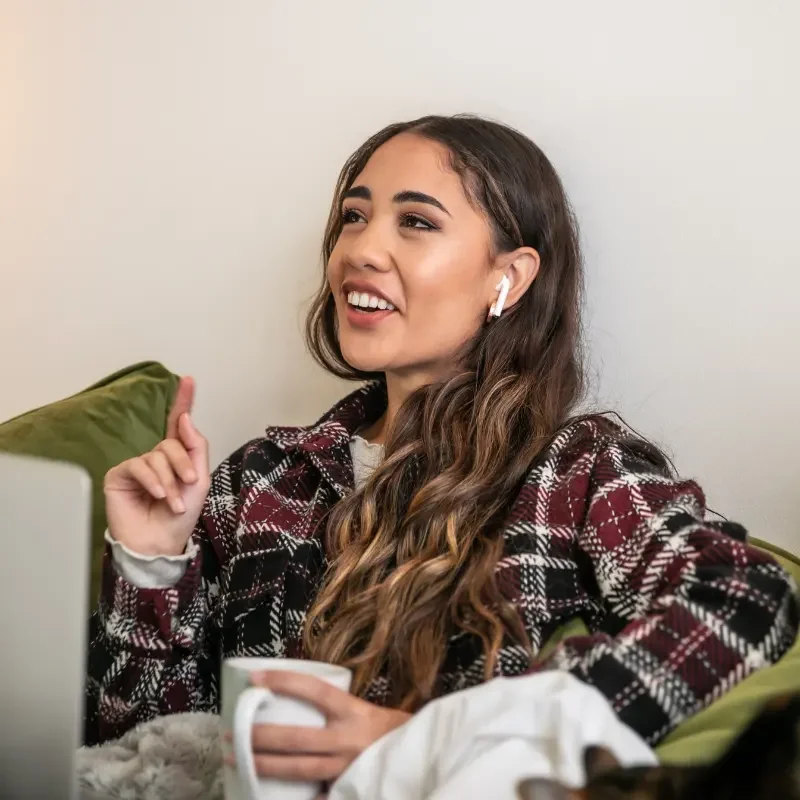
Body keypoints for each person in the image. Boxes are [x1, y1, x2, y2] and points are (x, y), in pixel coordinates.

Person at [84, 115, 798, 785]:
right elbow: (148, 752)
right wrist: (152, 564)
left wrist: (428, 740)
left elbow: (746, 600)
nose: (360, 250)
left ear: (509, 278)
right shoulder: (264, 480)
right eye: (354, 217)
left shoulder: (575, 471)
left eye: (416, 222)